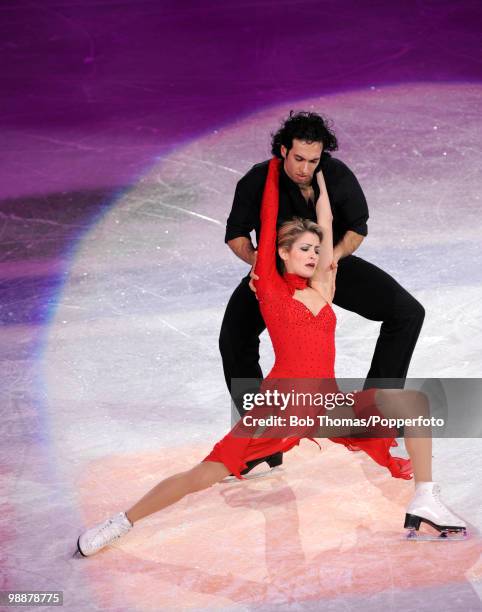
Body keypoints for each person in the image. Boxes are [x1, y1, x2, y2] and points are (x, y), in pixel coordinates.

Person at [77, 161, 465, 557]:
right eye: (305, 249)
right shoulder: (270, 290)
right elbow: (265, 216)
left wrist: (323, 183)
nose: (315, 254)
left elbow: (327, 221)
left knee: (414, 403)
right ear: (281, 252)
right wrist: (277, 168)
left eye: (317, 249)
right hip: (279, 409)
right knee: (203, 474)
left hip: (325, 406)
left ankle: (425, 499)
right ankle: (119, 522)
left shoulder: (325, 288)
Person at [219, 111, 425, 474]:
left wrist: (331, 261)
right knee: (234, 339)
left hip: (324, 267)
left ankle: (375, 415)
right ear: (283, 150)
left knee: (406, 312)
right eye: (298, 159)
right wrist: (259, 266)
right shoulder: (257, 180)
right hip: (274, 273)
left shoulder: (336, 175)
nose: (304, 168)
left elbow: (357, 229)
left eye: (313, 161)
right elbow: (236, 235)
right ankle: (261, 435)